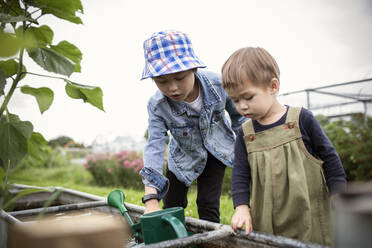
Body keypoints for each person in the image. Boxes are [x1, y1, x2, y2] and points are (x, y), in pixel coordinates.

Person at [221, 47, 347, 245]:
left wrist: (338, 191)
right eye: (235, 100)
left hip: (309, 212)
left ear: (273, 86)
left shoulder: (301, 119)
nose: (242, 106)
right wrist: (242, 207)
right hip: (267, 216)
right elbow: (240, 174)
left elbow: (329, 157)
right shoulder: (246, 134)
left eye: (248, 97)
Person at [139, 30, 246, 223]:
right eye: (162, 81)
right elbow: (155, 145)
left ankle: (211, 242)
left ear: (194, 69)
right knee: (172, 205)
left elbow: (240, 117)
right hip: (181, 158)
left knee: (207, 204)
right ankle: (173, 240)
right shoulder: (157, 105)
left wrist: (250, 149)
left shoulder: (218, 85)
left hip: (217, 153)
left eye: (180, 78)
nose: (172, 88)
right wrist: (151, 199)